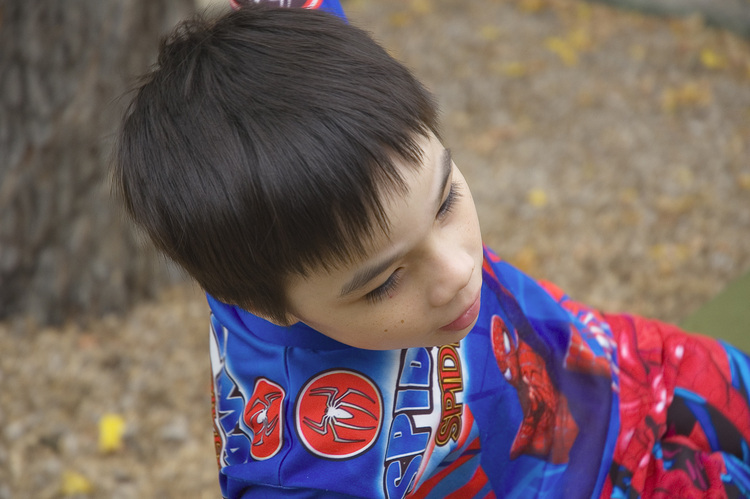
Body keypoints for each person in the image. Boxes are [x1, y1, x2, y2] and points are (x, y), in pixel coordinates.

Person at [112, 3, 750, 498]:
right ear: (265, 304)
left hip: (634, 368)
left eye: (445, 201)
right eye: (384, 283)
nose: (457, 272)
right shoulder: (304, 473)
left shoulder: (308, 99)